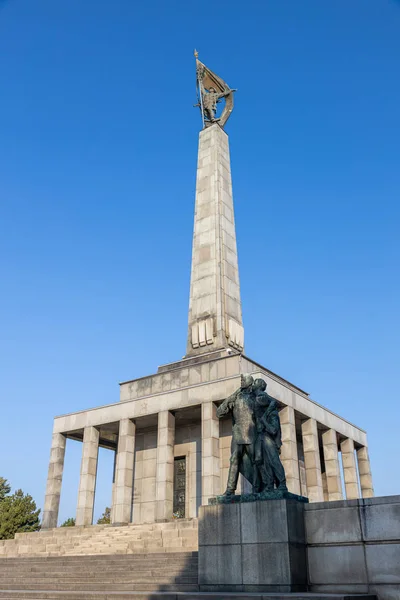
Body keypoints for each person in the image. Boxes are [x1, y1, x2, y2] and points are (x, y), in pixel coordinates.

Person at [216, 374, 257, 495]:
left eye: (244, 380)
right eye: (241, 380)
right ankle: (230, 489)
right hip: (238, 434)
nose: (242, 381)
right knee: (234, 459)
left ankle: (258, 487)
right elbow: (219, 413)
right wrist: (232, 396)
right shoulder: (236, 397)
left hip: (251, 433)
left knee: (256, 461)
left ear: (250, 382)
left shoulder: (255, 397)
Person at [253, 378, 287, 492]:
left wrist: (264, 422)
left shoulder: (273, 414)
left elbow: (273, 430)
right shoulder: (263, 412)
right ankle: (268, 484)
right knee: (261, 461)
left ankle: (282, 484)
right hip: (261, 436)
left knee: (273, 461)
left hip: (269, 439)